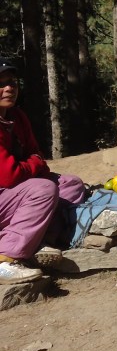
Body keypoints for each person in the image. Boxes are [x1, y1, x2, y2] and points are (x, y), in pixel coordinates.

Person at [0, 57, 86, 283]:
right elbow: (9, 175)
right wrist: (31, 165)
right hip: (8, 193)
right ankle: (5, 257)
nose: (9, 88)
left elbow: (39, 158)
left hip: (12, 193)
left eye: (12, 82)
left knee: (71, 184)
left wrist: (28, 166)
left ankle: (40, 241)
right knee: (43, 189)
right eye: (1, 83)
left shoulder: (18, 117)